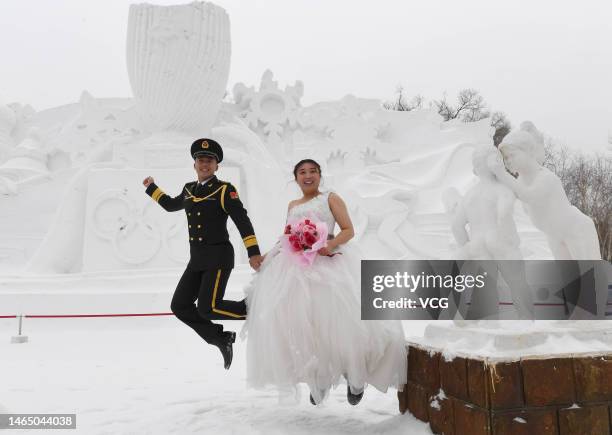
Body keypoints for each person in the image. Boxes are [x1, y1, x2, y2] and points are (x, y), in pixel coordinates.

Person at [242, 159, 407, 406]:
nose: (308, 176)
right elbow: (286, 237)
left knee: (343, 324)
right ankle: (317, 377)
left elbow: (348, 230)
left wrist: (327, 244)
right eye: (302, 172)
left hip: (329, 264)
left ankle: (355, 377)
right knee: (305, 326)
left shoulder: (330, 198)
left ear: (320, 175)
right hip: (296, 270)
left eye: (312, 172)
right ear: (295, 177)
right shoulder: (293, 204)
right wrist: (265, 257)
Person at [143, 138, 263, 369]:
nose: (204, 164)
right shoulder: (189, 189)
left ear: (217, 166)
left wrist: (253, 253)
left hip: (218, 258)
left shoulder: (224, 190)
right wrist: (152, 188)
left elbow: (242, 221)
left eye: (209, 161)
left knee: (208, 308)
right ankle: (220, 338)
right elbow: (170, 205)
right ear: (194, 164)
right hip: (197, 260)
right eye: (200, 160)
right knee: (180, 305)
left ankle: (257, 309)